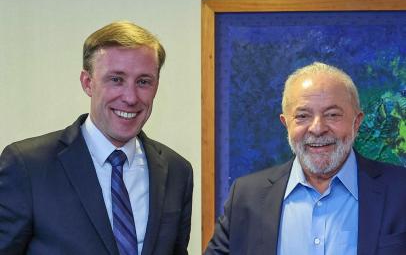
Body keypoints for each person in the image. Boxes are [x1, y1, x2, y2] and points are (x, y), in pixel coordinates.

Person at [0, 21, 193, 255]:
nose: (131, 97)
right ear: (87, 82)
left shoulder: (177, 171)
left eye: (143, 82)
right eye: (116, 79)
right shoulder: (28, 166)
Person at [204, 62, 406, 255]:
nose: (317, 128)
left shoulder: (400, 191)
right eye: (302, 116)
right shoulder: (246, 197)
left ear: (356, 122)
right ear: (286, 123)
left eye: (333, 114)